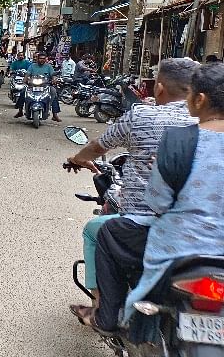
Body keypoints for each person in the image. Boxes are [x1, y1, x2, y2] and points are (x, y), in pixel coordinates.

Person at [66, 58, 199, 330]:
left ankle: (103, 311)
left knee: (98, 230)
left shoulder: (142, 115)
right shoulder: (206, 124)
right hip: (202, 233)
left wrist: (77, 159)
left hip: (149, 224)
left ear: (159, 88)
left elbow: (97, 146)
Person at [120, 62, 224, 325]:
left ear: (199, 99)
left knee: (112, 233)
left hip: (180, 248)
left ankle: (124, 321)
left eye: (190, 93)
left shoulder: (177, 141)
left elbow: (158, 202)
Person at [14, 52, 62, 122]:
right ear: (37, 59)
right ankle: (20, 110)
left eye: (43, 58)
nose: (41, 60)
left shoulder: (49, 66)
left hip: (46, 85)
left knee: (54, 92)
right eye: (40, 58)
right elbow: (27, 74)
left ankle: (55, 115)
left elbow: (53, 75)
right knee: (23, 92)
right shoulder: (32, 66)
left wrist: (54, 80)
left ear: (45, 59)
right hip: (32, 85)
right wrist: (24, 81)